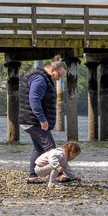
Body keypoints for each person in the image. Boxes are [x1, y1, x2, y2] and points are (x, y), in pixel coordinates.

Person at [19, 55, 67, 184]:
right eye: (59, 75)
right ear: (52, 70)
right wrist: (42, 119)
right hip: (33, 120)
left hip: (30, 120)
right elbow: (34, 99)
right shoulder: (40, 79)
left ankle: (32, 176)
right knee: (51, 148)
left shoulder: (42, 78)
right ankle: (60, 175)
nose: (59, 79)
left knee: (39, 149)